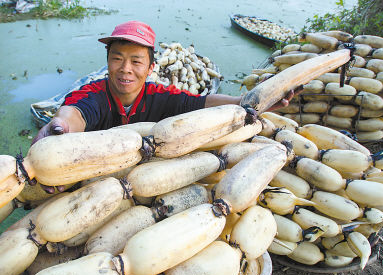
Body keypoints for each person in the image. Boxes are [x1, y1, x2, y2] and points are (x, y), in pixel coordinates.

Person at [32, 20, 295, 192]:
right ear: (108, 62)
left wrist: (248, 104)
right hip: (90, 179)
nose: (125, 69)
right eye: (117, 59)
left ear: (150, 68)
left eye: (136, 61)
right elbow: (74, 113)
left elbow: (202, 103)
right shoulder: (93, 94)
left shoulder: (160, 95)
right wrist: (60, 126)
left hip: (141, 183)